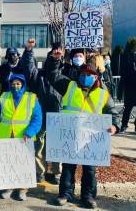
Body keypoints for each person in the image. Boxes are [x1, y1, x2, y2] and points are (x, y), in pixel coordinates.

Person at [47, 48, 119, 209]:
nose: (85, 77)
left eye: (89, 75)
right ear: (79, 75)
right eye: (83, 75)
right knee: (68, 167)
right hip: (70, 136)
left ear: (95, 77)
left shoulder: (103, 94)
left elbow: (114, 113)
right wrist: (54, 60)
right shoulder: (69, 86)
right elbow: (53, 76)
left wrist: (115, 126)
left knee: (90, 170)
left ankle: (88, 197)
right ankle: (65, 194)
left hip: (91, 138)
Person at [0, 73, 42, 200]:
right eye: (13, 83)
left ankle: (22, 189)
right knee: (8, 162)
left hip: (24, 137)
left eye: (18, 83)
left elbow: (38, 118)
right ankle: (8, 187)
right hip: (6, 136)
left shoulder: (32, 98)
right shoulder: (4, 96)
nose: (15, 86)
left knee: (23, 163)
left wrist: (30, 132)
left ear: (23, 84)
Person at [23, 40, 62, 184]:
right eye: (50, 58)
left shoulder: (63, 74)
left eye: (56, 58)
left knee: (56, 144)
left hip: (59, 113)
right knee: (39, 143)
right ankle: (40, 171)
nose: (53, 60)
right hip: (42, 112)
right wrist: (28, 51)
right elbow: (28, 68)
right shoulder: (39, 75)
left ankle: (57, 172)